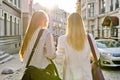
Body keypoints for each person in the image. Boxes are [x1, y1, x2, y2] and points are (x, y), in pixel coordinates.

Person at [55, 13, 99, 80]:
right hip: (86, 76)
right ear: (81, 23)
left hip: (69, 77)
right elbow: (97, 56)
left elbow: (58, 61)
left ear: (68, 24)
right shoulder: (89, 38)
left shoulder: (62, 39)